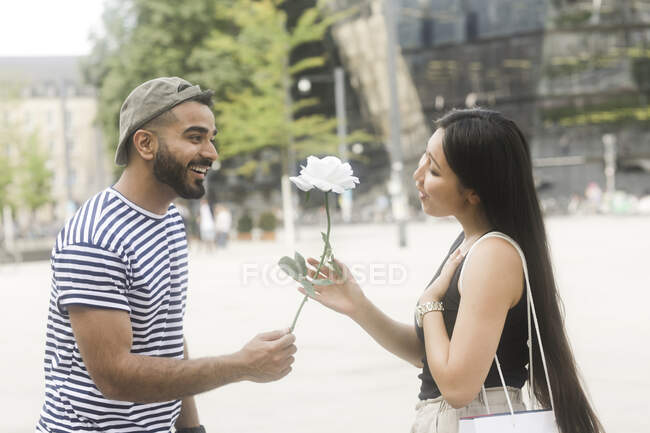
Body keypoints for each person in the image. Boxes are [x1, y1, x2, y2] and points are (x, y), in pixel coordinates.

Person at [301, 109, 604, 433]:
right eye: (423, 159)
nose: (417, 175)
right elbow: (432, 358)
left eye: (433, 169)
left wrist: (430, 302)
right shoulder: (472, 244)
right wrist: (358, 306)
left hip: (469, 418)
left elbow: (458, 388)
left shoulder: (493, 256)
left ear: (473, 192)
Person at [37, 77, 296, 433]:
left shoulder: (170, 221)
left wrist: (191, 429)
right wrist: (240, 365)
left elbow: (167, 337)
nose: (212, 152)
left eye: (211, 138)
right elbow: (115, 378)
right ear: (145, 143)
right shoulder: (95, 237)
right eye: (195, 137)